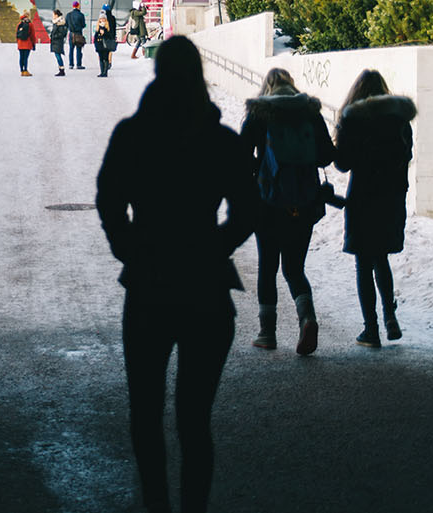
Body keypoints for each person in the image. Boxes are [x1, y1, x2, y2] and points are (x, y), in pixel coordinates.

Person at [96, 36, 258, 513]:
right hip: (207, 290)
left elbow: (109, 199)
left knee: (145, 415)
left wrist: (129, 248)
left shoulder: (133, 135)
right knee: (195, 420)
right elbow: (247, 211)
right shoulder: (221, 139)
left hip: (148, 286)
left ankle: (156, 507)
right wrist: (216, 246)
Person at [239, 67, 337, 355]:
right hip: (305, 201)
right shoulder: (310, 112)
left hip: (268, 202)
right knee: (294, 267)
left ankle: (267, 333)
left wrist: (258, 170)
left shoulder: (260, 113)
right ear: (292, 85)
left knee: (267, 267)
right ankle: (307, 318)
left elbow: (241, 154)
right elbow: (326, 156)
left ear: (267, 87)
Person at [332, 69, 417, 347]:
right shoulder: (400, 120)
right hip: (391, 198)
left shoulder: (353, 118)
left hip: (363, 197)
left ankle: (371, 330)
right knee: (381, 258)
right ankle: (390, 317)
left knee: (363, 263)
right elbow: (408, 155)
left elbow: (342, 163)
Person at [93, 10, 116, 77]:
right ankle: (101, 72)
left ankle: (105, 72)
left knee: (105, 58)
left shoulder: (107, 27)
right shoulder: (98, 27)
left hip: (106, 45)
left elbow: (110, 36)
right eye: (101, 18)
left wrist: (104, 33)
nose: (102, 20)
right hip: (99, 44)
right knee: (101, 58)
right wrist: (96, 44)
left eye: (103, 18)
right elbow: (96, 36)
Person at [65, 2, 87, 70]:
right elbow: (83, 25)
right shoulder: (81, 15)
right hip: (78, 34)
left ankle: (71, 64)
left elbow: (66, 25)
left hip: (71, 34)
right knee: (78, 49)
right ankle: (79, 64)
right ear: (78, 6)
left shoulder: (68, 15)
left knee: (71, 49)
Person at [15, 11, 35, 76]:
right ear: (28, 16)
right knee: (25, 58)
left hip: (20, 43)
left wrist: (18, 42)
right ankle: (25, 70)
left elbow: (17, 34)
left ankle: (22, 71)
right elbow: (32, 35)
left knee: (21, 57)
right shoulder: (30, 24)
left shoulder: (19, 24)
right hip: (27, 43)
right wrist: (33, 44)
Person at [49, 8, 68, 77]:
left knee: (58, 55)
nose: (53, 16)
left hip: (58, 41)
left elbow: (62, 33)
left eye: (53, 14)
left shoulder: (60, 22)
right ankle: (61, 69)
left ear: (56, 15)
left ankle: (62, 70)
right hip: (55, 41)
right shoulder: (56, 22)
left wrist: (55, 36)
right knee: (57, 55)